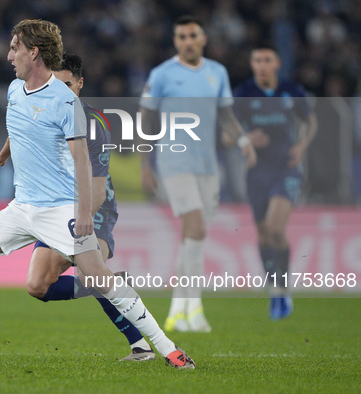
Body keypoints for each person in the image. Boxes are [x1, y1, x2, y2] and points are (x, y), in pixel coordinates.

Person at [0, 19, 194, 369]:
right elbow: (19, 125)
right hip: (22, 207)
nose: (9, 55)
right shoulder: (14, 89)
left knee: (99, 279)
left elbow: (82, 161)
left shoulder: (64, 101)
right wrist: (1, 156)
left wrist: (84, 213)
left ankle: (169, 350)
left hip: (59, 211)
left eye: (14, 48)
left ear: (33, 52)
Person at [23, 53, 154, 361]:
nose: (61, 91)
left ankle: (141, 346)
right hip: (58, 209)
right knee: (37, 285)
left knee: (92, 273)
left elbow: (95, 188)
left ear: (80, 85)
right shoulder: (42, 118)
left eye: (68, 85)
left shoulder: (93, 124)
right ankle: (110, 284)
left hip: (93, 207)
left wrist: (80, 220)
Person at [139, 15, 256, 333]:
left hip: (208, 165)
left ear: (202, 38)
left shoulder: (217, 73)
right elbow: (145, 120)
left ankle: (178, 309)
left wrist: (243, 139)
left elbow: (226, 113)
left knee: (195, 237)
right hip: (174, 163)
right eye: (181, 37)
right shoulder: (162, 74)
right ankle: (195, 307)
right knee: (195, 228)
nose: (188, 41)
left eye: (193, 35)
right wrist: (145, 165)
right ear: (176, 42)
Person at [232, 43, 317, 319]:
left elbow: (311, 121)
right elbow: (225, 133)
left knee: (275, 227)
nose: (262, 65)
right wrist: (246, 140)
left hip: (286, 168)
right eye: (257, 60)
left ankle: (283, 289)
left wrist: (302, 146)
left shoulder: (291, 91)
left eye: (267, 59)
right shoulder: (243, 94)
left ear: (277, 63)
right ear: (252, 64)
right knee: (263, 234)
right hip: (257, 171)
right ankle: (275, 290)